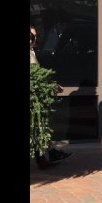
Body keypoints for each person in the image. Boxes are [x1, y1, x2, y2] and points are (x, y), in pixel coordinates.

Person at [31, 24, 72, 168]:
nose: (33, 39)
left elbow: (39, 75)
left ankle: (43, 159)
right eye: (31, 36)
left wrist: (52, 85)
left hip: (37, 98)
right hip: (33, 99)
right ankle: (48, 156)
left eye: (35, 36)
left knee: (38, 128)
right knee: (37, 128)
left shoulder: (32, 52)